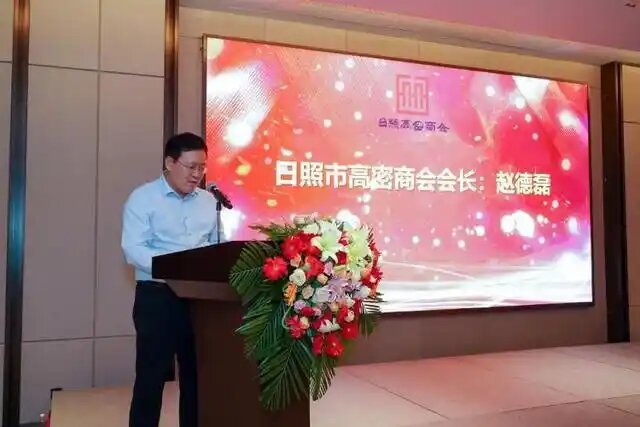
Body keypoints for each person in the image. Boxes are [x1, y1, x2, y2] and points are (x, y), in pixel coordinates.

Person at [122, 132, 225, 427]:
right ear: (170, 162)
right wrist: (175, 266)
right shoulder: (143, 198)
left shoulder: (209, 202)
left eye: (202, 167)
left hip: (199, 299)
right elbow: (133, 249)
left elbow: (217, 245)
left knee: (197, 377)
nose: (197, 174)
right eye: (191, 166)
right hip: (158, 296)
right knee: (151, 377)